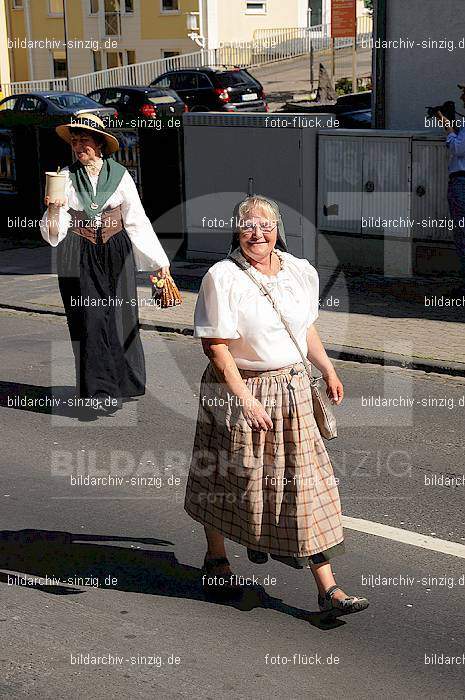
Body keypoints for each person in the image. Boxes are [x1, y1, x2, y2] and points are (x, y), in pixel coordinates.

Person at [184, 194, 369, 618]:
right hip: (237, 391)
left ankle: (328, 588)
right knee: (230, 479)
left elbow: (306, 329)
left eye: (265, 225)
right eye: (247, 225)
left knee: (305, 485)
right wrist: (245, 399)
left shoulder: (300, 272)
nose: (257, 233)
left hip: (291, 389)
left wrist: (328, 370)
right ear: (236, 231)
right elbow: (215, 347)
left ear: (278, 229)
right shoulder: (222, 277)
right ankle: (217, 559)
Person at [40, 113, 170, 414]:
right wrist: (54, 209)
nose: (78, 146)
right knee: (91, 317)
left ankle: (125, 383)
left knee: (122, 315)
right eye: (75, 141)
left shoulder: (120, 175)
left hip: (116, 251)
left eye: (84, 140)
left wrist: (158, 263)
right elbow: (53, 233)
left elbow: (136, 219)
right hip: (79, 252)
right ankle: (99, 390)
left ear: (99, 143)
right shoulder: (65, 178)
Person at [440, 85, 465, 292]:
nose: (462, 98)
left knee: (462, 231)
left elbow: (458, 149)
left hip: (461, 181)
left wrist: (449, 130)